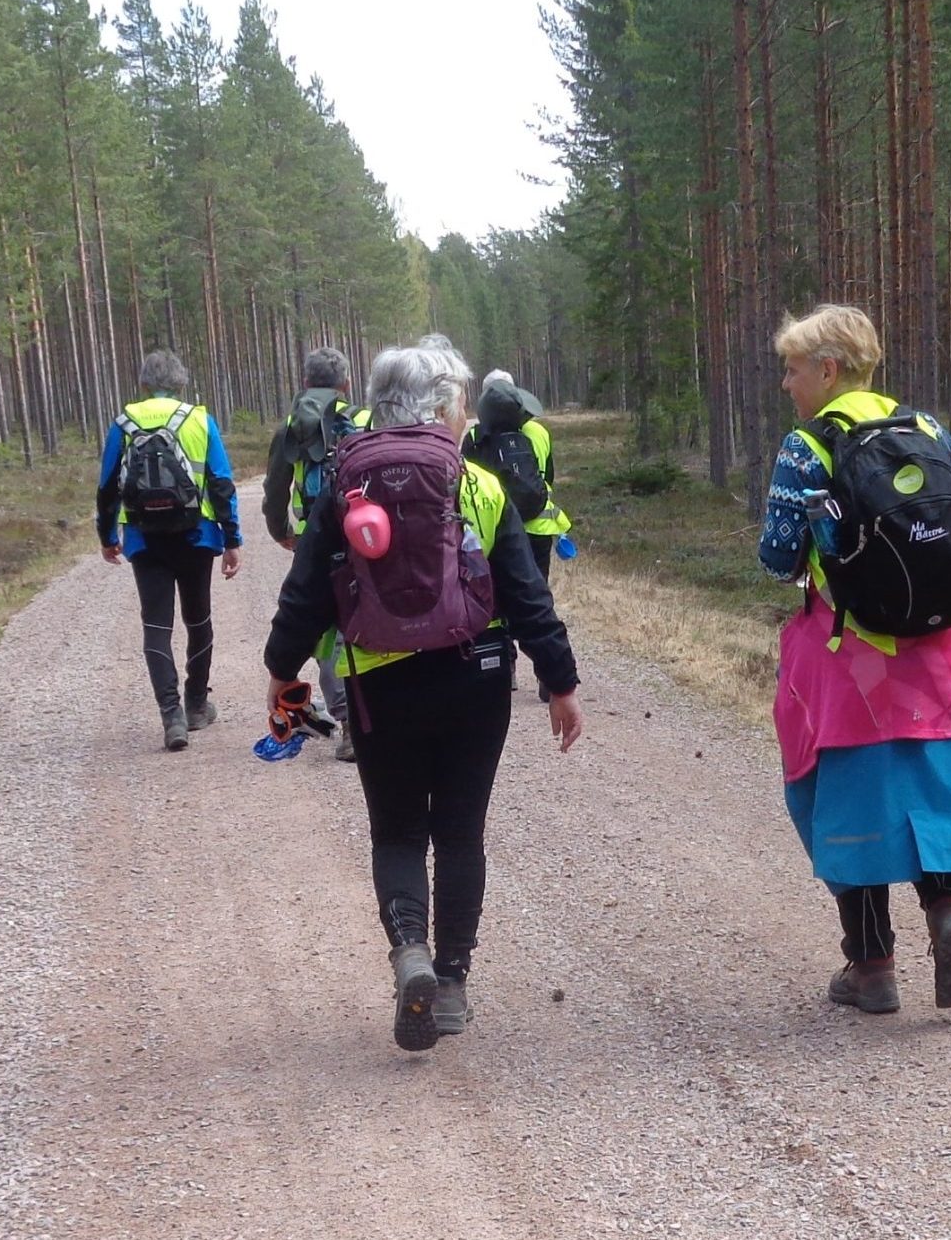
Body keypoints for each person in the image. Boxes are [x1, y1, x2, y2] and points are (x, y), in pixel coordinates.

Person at [265, 336, 585, 1051]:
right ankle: (450, 983)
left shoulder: (349, 484)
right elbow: (528, 597)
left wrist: (283, 671)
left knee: (399, 830)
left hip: (381, 683)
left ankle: (408, 947)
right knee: (460, 830)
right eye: (461, 403)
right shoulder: (478, 485)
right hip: (476, 677)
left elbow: (307, 591)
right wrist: (559, 681)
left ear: (381, 406)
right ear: (443, 408)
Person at [757, 304, 951, 1015]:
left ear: (828, 370)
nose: (786, 384)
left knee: (850, 802)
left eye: (793, 369)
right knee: (930, 790)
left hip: (853, 656)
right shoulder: (929, 432)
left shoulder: (809, 446)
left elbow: (777, 559)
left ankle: (872, 968)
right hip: (942, 653)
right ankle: (949, 912)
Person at [97, 349, 242, 752]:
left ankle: (170, 716)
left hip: (144, 537)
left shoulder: (123, 422)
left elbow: (107, 486)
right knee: (198, 621)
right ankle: (197, 705)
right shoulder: (199, 419)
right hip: (196, 535)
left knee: (156, 626)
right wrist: (232, 540)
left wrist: (108, 535)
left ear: (144, 384)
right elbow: (222, 482)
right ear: (181, 383)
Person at [263, 346, 358, 759]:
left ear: (305, 383)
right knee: (356, 622)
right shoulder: (362, 419)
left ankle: (345, 719)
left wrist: (281, 531)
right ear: (347, 384)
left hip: (312, 540)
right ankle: (360, 720)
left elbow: (274, 489)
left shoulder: (291, 425)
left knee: (321, 627)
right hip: (362, 537)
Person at [463, 370, 571, 701]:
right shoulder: (538, 432)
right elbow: (547, 476)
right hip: (539, 527)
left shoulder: (476, 437)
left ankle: (504, 666)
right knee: (536, 596)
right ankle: (546, 671)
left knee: (495, 598)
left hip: (497, 529)